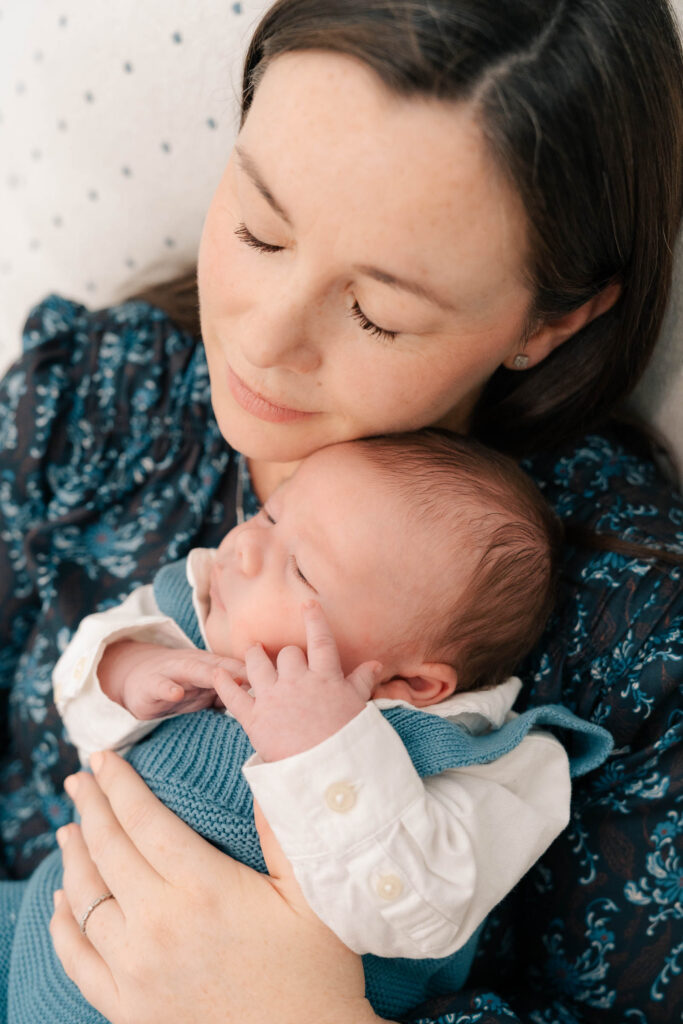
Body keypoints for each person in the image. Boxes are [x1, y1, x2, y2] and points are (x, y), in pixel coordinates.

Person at [0, 1, 681, 1022]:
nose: (263, 340)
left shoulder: (632, 631)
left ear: (551, 321)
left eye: (378, 313)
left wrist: (299, 1006)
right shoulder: (102, 399)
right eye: (259, 227)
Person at [3, 431, 611, 1022]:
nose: (244, 545)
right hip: (36, 925)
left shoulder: (481, 765)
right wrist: (126, 670)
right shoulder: (196, 615)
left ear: (410, 683)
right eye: (269, 514)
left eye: (301, 570)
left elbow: (423, 915)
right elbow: (78, 699)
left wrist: (327, 752)